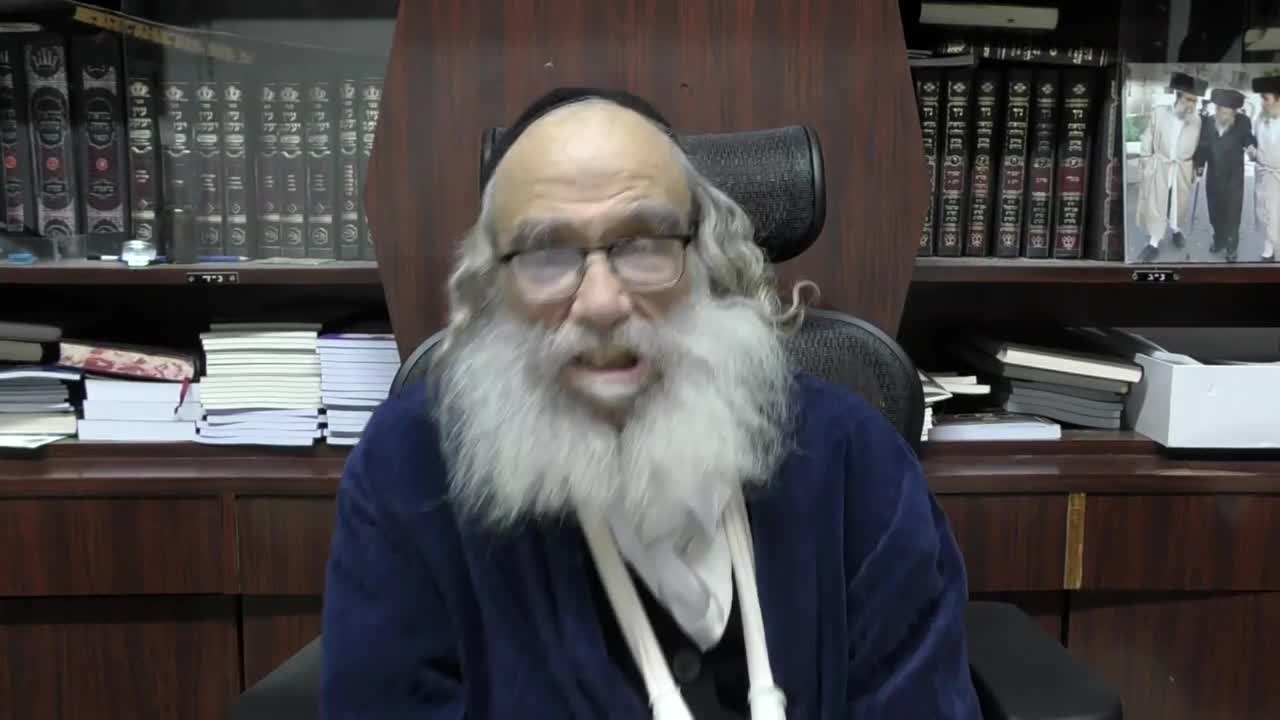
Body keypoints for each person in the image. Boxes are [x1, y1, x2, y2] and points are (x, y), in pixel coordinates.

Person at [319, 87, 982, 719]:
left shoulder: (856, 462)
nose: (602, 303)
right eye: (547, 253)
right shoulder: (410, 471)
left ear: (706, 262)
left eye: (643, 245)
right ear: (492, 288)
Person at [1135, 72, 1208, 263]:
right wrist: (1146, 162)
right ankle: (1153, 243)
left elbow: (1199, 145)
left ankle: (1176, 229)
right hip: (1160, 166)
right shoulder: (1160, 113)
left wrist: (1197, 168)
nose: (1192, 104)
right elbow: (1148, 138)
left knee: (1178, 203)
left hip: (1183, 168)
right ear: (1178, 96)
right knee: (1157, 204)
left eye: (1195, 100)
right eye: (1189, 99)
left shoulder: (1197, 120)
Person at [1194, 88, 1254, 262]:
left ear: (1234, 112)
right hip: (1213, 177)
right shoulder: (1208, 122)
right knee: (1215, 213)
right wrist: (1199, 167)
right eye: (1222, 112)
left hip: (1234, 179)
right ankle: (1219, 240)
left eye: (1228, 113)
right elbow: (1203, 146)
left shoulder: (1243, 122)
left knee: (1232, 214)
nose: (1225, 116)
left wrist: (1251, 146)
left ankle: (1231, 247)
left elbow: (1248, 137)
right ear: (1217, 109)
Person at [1248, 76, 1280, 263]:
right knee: (1267, 212)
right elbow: (1254, 143)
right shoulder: (1260, 119)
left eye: (1265, 98)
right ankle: (1269, 249)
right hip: (1265, 174)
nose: (1262, 103)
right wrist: (1252, 152)